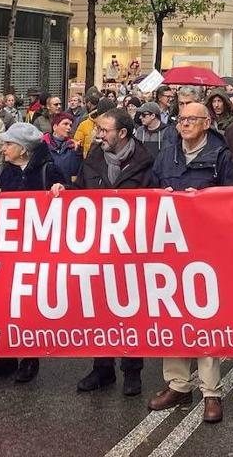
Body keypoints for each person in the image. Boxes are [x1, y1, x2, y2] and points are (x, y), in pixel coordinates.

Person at [148, 101, 233, 424]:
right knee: (173, 313)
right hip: (172, 246)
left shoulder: (220, 156)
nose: (184, 124)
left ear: (205, 123)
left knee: (204, 315)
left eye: (190, 120)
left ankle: (211, 391)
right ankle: (178, 384)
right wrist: (164, 195)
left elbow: (232, 199)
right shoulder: (167, 153)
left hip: (206, 248)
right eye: (181, 119)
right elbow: (151, 191)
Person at [63, 108, 155, 395]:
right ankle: (101, 368)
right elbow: (82, 194)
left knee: (131, 308)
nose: (98, 134)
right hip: (99, 246)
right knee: (99, 307)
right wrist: (63, 191)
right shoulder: (94, 157)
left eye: (104, 130)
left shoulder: (146, 161)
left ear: (123, 133)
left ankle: (132, 370)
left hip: (133, 248)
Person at [0, 123, 59, 383]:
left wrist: (61, 193)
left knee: (29, 305)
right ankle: (6, 356)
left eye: (8, 144)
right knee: (4, 302)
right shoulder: (6, 171)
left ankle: (29, 358)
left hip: (37, 248)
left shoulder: (49, 170)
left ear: (23, 150)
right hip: (10, 247)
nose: (3, 148)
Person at [43, 112, 82, 186]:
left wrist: (77, 153)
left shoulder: (72, 146)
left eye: (70, 125)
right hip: (46, 189)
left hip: (65, 188)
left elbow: (75, 172)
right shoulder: (43, 145)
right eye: (65, 124)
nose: (69, 128)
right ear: (55, 127)